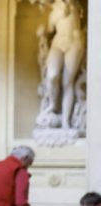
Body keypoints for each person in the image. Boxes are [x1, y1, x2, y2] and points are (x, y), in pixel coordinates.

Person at [43, 0, 85, 129]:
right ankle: (52, 106)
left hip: (74, 41)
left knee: (67, 82)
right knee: (52, 75)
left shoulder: (76, 6)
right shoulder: (54, 8)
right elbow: (49, 29)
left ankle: (65, 121)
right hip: (58, 42)